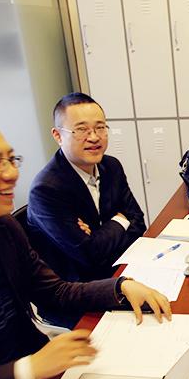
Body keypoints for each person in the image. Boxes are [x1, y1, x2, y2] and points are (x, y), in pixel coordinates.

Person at [0, 102, 172, 379]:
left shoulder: (1, 227)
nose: (12, 174)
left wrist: (119, 287)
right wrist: (28, 370)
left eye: (11, 159)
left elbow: (54, 290)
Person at [27, 92, 146, 284]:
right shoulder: (46, 190)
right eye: (81, 129)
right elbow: (89, 255)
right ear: (58, 135)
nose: (94, 137)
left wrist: (98, 236)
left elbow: (138, 222)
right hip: (77, 289)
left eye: (100, 127)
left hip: (120, 270)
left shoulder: (111, 166)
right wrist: (120, 220)